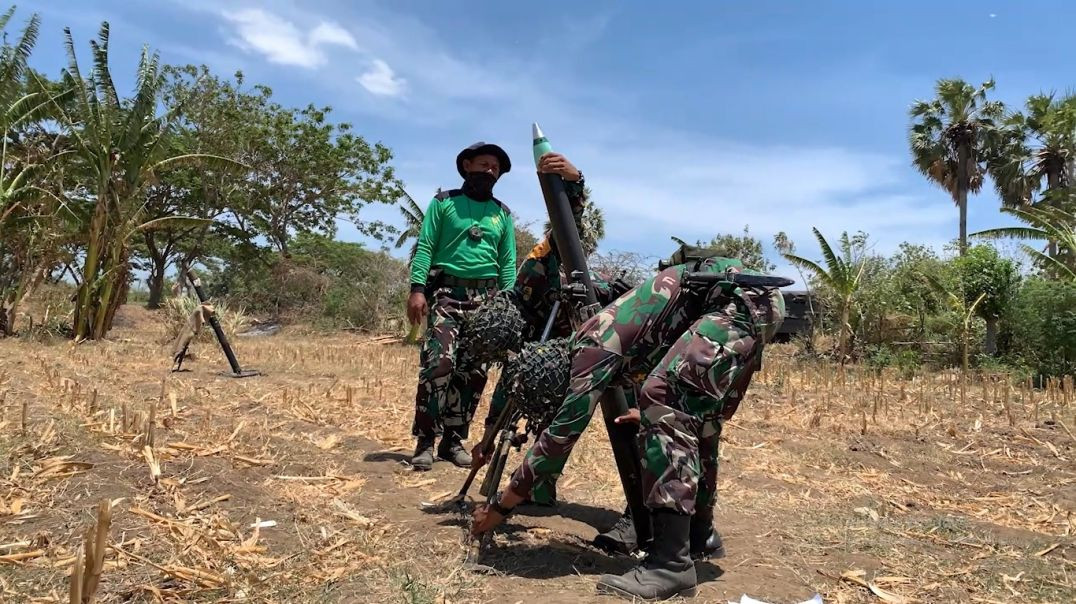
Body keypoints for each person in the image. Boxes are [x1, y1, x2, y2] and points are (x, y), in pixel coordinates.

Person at [469, 250, 786, 600]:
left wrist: (501, 506)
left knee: (664, 397)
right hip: (751, 301)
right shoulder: (605, 338)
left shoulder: (589, 347)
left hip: (739, 299)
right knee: (693, 415)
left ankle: (670, 564)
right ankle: (699, 536)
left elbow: (560, 436)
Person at [470, 157, 635, 505]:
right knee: (529, 390)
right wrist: (486, 440)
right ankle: (530, 482)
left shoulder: (547, 267)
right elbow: (507, 388)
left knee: (581, 412)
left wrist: (575, 182)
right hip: (549, 341)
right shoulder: (523, 306)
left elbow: (565, 223)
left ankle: (546, 482)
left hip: (592, 336)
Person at [407, 141, 518, 471]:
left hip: (486, 302)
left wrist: (508, 306)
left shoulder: (503, 214)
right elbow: (425, 247)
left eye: (496, 168)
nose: (490, 171)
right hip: (446, 294)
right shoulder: (444, 203)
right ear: (467, 166)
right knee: (439, 365)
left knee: (473, 374)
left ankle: (453, 441)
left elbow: (507, 264)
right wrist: (417, 290)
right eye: (484, 164)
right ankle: (425, 441)